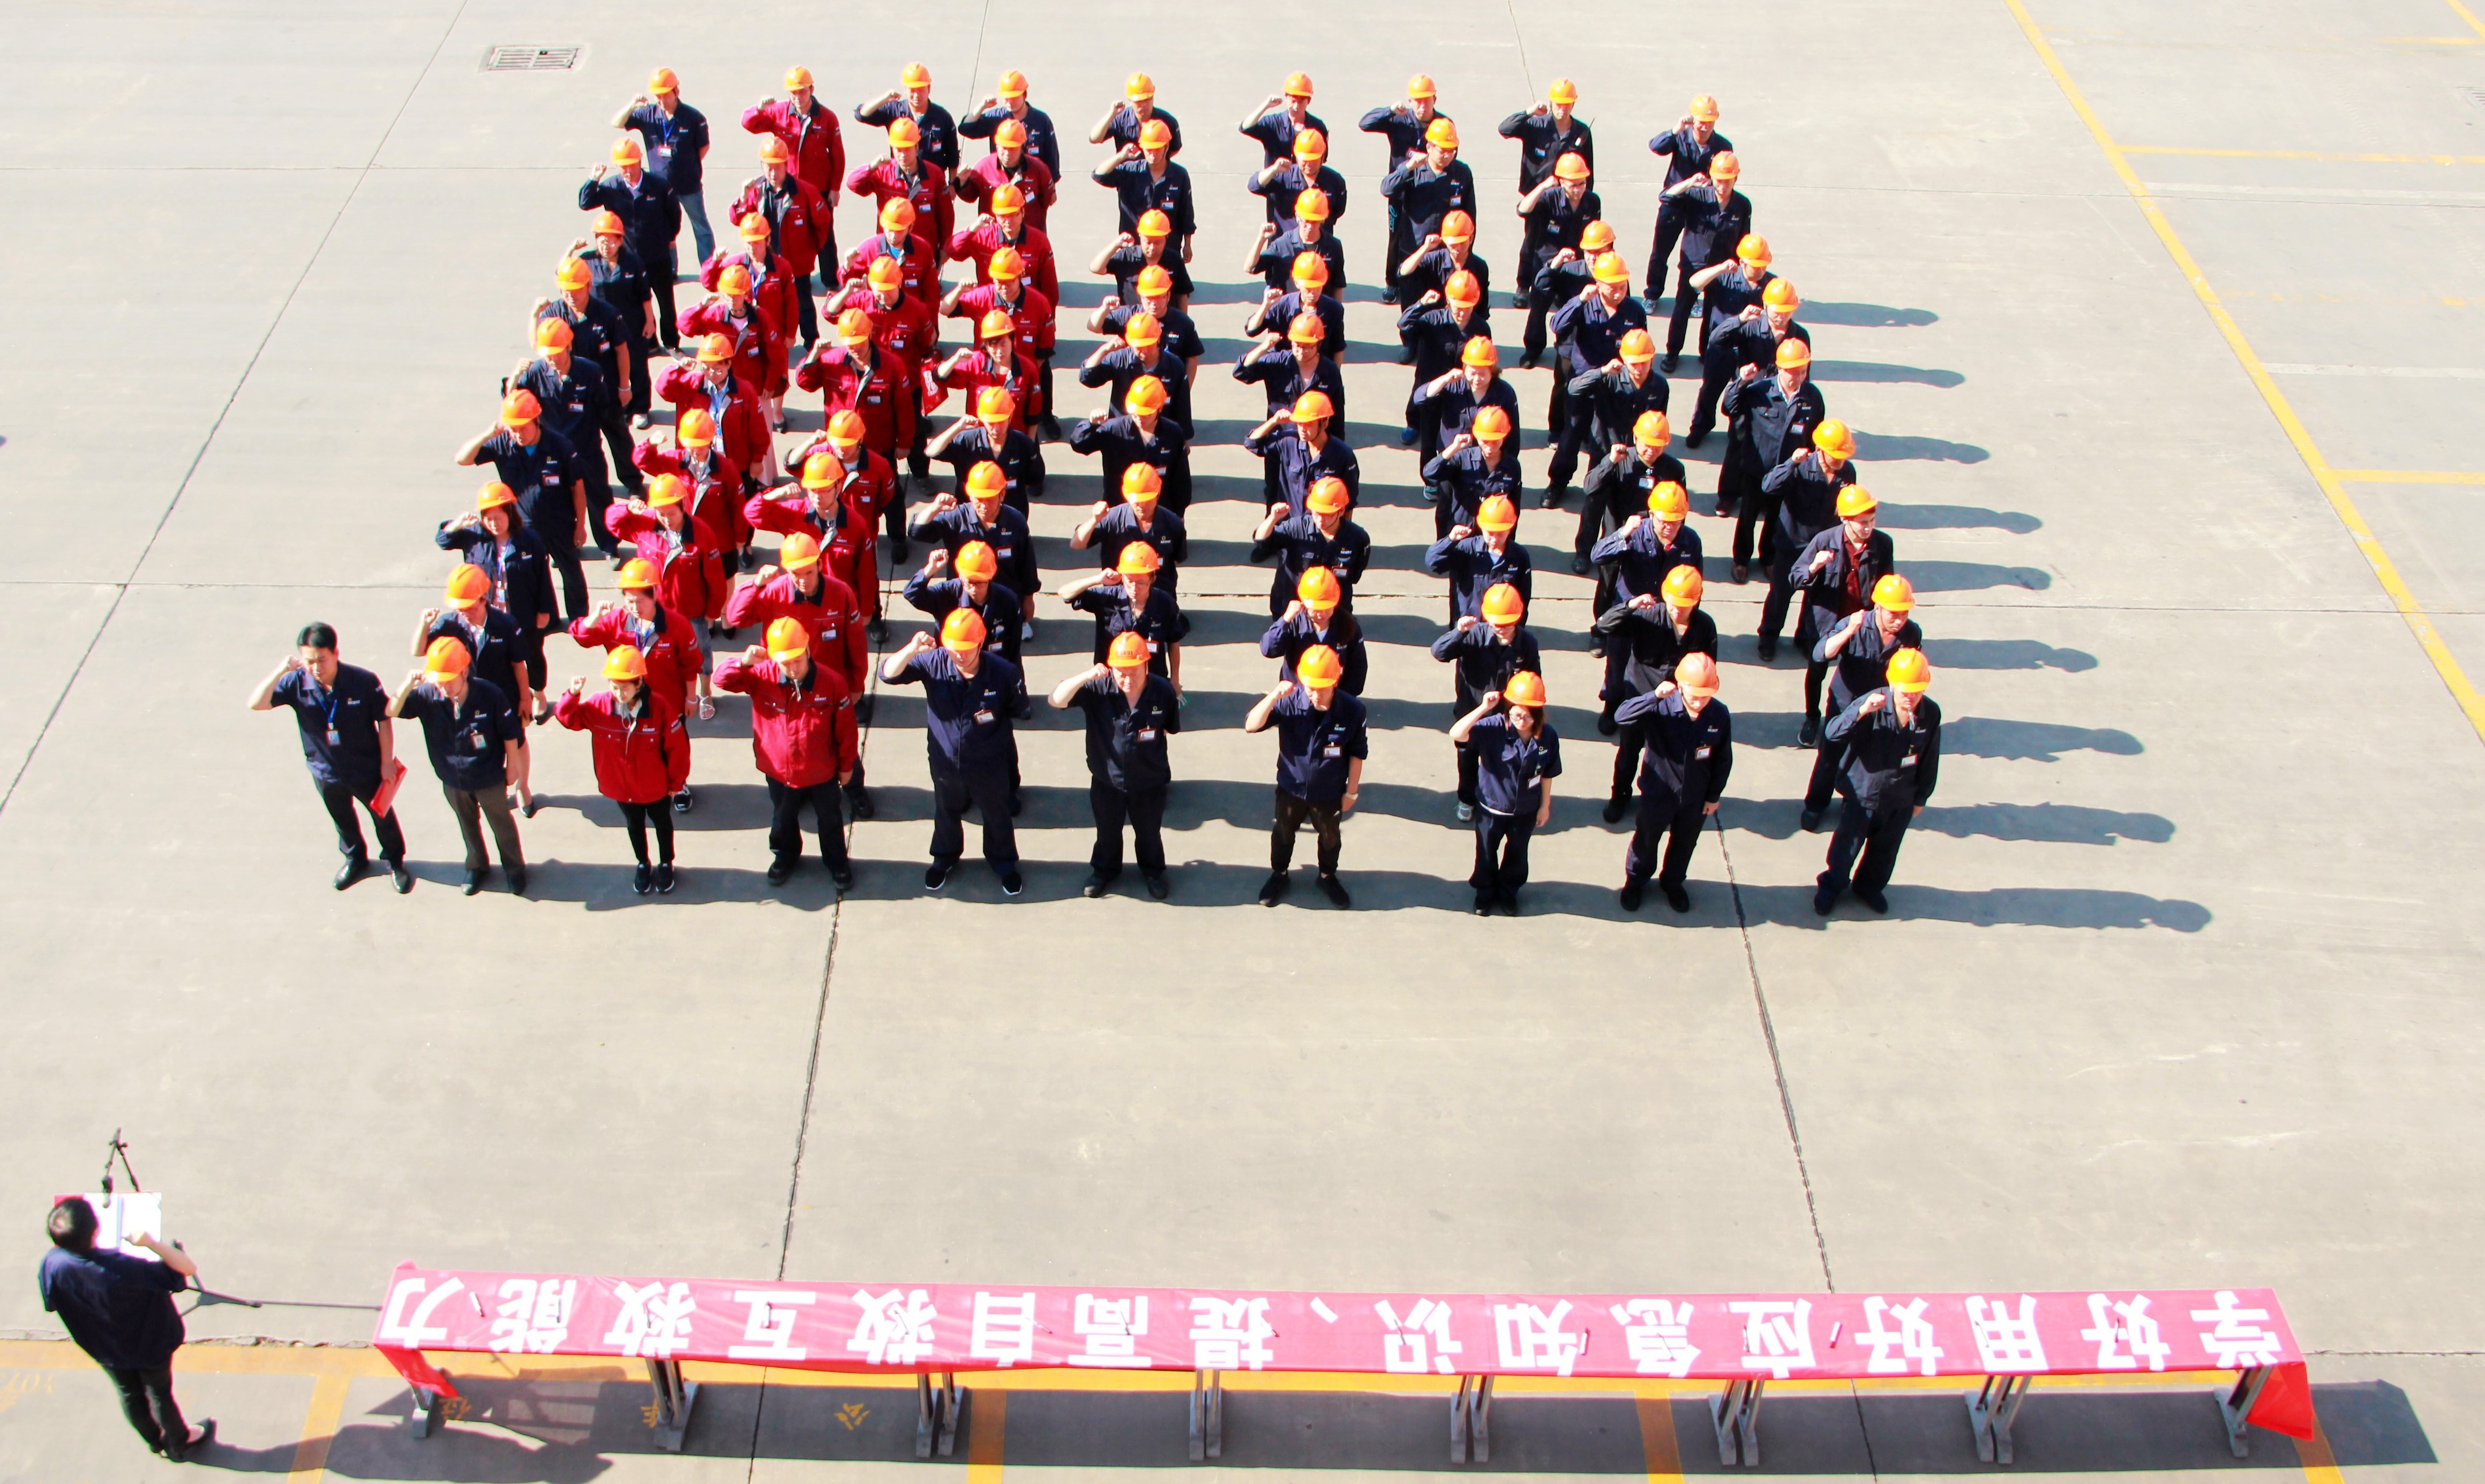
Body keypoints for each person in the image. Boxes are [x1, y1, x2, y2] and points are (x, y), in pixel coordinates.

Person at [39, 1198, 212, 1461]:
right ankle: (178, 1441)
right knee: (160, 1393)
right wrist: (152, 1243)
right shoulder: (123, 1267)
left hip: (104, 1347)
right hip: (149, 1343)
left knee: (130, 1394)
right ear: (95, 1231)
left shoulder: (51, 1264)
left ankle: (155, 1442)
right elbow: (186, 1269)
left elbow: (51, 1303)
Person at [249, 622, 411, 892]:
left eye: (322, 659)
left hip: (366, 767)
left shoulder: (363, 681)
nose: (316, 668)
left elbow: (384, 720)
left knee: (382, 815)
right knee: (342, 819)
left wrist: (387, 762)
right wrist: (280, 671)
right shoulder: (296, 682)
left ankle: (395, 861)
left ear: (336, 653)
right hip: (325, 770)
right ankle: (355, 858)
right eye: (309, 661)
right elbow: (257, 703)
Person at [883, 612, 1030, 894]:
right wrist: (912, 649)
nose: (959, 656)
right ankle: (944, 858)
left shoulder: (1003, 672)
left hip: (989, 762)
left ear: (981, 643)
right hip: (945, 762)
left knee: (997, 813)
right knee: (946, 810)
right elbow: (888, 674)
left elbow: (1017, 707)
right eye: (953, 649)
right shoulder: (933, 663)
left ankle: (1004, 864)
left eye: (966, 649)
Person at [718, 616, 860, 888]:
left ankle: (837, 863)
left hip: (821, 772)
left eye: (798, 660)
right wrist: (743, 662)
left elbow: (846, 731)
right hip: (778, 771)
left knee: (830, 820)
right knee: (783, 818)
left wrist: (846, 767)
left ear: (808, 651)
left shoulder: (832, 683)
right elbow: (723, 681)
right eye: (786, 663)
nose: (793, 668)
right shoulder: (760, 676)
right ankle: (785, 856)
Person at [389, 636, 525, 895]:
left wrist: (513, 767)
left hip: (488, 776)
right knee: (467, 824)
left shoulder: (489, 694)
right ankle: (477, 866)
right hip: (452, 778)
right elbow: (393, 710)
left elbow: (510, 733)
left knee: (501, 824)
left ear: (464, 672)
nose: (443, 687)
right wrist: (408, 685)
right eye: (439, 682)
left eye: (448, 681)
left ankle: (515, 868)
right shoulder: (428, 695)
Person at [1051, 631, 1181, 900]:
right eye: (1121, 672)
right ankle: (1104, 871)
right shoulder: (1098, 689)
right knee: (1107, 832)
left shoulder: (1163, 691)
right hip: (1107, 781)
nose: (1127, 679)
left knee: (1149, 833)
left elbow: (1169, 727)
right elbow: (1056, 700)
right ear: (1111, 668)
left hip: (1149, 781)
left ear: (1146, 665)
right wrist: (1087, 675)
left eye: (1134, 672)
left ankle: (1154, 872)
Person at [568, 557, 705, 811]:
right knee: (640, 748)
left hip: (669, 702)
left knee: (674, 746)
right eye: (629, 600)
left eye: (640, 600)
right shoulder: (614, 622)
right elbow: (582, 636)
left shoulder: (676, 625)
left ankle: (679, 785)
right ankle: (643, 789)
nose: (634, 607)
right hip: (628, 701)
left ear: (655, 594)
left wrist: (690, 697)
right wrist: (596, 616)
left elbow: (691, 665)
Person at [554, 648, 689, 894]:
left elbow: (677, 749)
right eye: (614, 687)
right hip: (622, 787)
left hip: (656, 788)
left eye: (625, 687)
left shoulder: (659, 707)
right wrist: (572, 695)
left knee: (662, 823)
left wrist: (676, 784)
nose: (619, 693)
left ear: (640, 683)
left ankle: (666, 863)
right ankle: (643, 863)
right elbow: (568, 719)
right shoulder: (599, 705)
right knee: (634, 825)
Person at [1815, 649, 1939, 916]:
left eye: (1917, 691)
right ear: (1892, 683)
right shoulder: (1873, 704)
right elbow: (1832, 733)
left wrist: (1921, 797)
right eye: (1905, 691)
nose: (1911, 697)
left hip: (1900, 798)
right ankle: (1832, 886)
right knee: (1846, 848)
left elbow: (1930, 757)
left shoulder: (1930, 714)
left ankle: (1868, 888)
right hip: (1863, 795)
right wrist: (1860, 712)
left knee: (1885, 852)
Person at [455, 390, 592, 623]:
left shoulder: (560, 446)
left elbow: (577, 488)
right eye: (513, 429)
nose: (517, 434)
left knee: (571, 572)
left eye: (522, 428)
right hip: (522, 528)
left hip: (558, 524)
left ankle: (580, 620)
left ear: (537, 421)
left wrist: (581, 526)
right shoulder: (504, 444)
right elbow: (463, 459)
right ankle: (548, 620)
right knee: (534, 576)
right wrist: (488, 434)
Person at [1596, 564, 1718, 820]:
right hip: (1641, 697)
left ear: (1696, 600)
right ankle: (1620, 796)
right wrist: (1630, 606)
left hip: (1676, 704)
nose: (1677, 610)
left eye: (1684, 605)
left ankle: (1662, 799)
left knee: (1668, 755)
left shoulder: (1705, 627)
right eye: (1673, 603)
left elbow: (1707, 667)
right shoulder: (1649, 616)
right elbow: (1605, 625)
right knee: (1629, 752)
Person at [1614, 652, 1732, 913]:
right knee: (1647, 840)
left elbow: (1723, 759)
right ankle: (1636, 881)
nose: (1700, 701)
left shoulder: (1718, 715)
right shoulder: (1662, 707)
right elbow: (1622, 716)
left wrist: (1713, 796)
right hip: (1659, 793)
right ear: (1680, 686)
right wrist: (1653, 696)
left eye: (1706, 695)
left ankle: (1673, 883)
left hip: (1695, 798)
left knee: (1685, 843)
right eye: (1694, 695)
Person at [1245, 646, 1364, 906]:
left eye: (1323, 688)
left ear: (1337, 678)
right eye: (1310, 688)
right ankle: (1280, 874)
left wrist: (1352, 792)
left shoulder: (1353, 710)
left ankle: (1327, 875)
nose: (1316, 695)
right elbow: (1251, 725)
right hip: (1291, 788)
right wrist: (1274, 695)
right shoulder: (1290, 702)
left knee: (1330, 837)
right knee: (1283, 833)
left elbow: (1357, 752)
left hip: (1329, 792)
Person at [607, 477, 731, 724]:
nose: (666, 519)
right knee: (653, 655)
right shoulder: (643, 524)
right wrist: (628, 508)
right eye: (661, 513)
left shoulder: (701, 533)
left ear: (683, 505)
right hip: (652, 612)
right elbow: (612, 522)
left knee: (700, 654)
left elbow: (716, 577)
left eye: (671, 513)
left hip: (691, 612)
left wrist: (713, 611)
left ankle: (705, 692)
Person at [1804, 575, 1922, 832]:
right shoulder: (1856, 624)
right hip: (1846, 703)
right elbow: (1821, 653)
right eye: (1893, 614)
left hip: (1881, 709)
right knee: (1830, 755)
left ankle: (1853, 802)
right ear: (1877, 607)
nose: (1899, 621)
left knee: (1868, 760)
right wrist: (1848, 632)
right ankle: (1815, 805)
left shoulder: (1911, 634)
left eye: (1904, 614)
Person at [417, 562, 537, 811]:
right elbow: (419, 651)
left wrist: (525, 699)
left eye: (469, 607)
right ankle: (491, 790)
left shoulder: (505, 624)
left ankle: (523, 787)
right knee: (482, 746)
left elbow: (518, 664)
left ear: (484, 599)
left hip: (505, 697)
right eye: (460, 608)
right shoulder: (450, 625)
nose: (465, 613)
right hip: (471, 700)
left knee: (517, 741)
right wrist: (424, 625)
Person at [741, 67, 847, 341]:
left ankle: (829, 278)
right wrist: (758, 109)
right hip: (786, 185)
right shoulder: (778, 112)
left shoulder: (827, 118)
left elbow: (837, 154)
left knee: (824, 234)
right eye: (793, 93)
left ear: (812, 90)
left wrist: (835, 188)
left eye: (802, 91)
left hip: (817, 189)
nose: (798, 97)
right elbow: (749, 124)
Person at [1589, 477, 1703, 730]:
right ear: (1651, 514)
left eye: (1675, 521)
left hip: (1664, 616)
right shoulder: (1636, 534)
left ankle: (1648, 709)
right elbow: (1597, 555)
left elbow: (1695, 583)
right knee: (1618, 662)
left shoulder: (1690, 542)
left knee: (1653, 666)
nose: (1669, 527)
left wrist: (1687, 619)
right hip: (1630, 612)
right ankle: (1612, 705)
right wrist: (1622, 533)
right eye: (1663, 521)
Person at [1758, 419, 1858, 689]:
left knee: (1817, 596)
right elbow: (1768, 486)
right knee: (1781, 593)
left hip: (1825, 546)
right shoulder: (1802, 468)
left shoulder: (1847, 472)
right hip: (1792, 543)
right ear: (1820, 450)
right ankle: (1769, 636)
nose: (1840, 461)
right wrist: (1791, 463)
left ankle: (1804, 638)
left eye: (1843, 456)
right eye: (1835, 455)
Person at [1788, 485, 1895, 737]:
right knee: (1817, 670)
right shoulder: (1824, 541)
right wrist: (1814, 567)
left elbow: (1886, 584)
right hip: (1826, 624)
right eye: (1862, 522)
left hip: (1862, 624)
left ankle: (1857, 720)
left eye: (1872, 521)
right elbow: (1795, 578)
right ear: (1845, 519)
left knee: (1863, 674)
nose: (1868, 528)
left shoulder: (1883, 544)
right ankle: (1812, 717)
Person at [1718, 336, 1825, 587]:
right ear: (1779, 368)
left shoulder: (1811, 397)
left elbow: (1816, 431)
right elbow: (1729, 407)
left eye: (1803, 371)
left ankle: (1768, 557)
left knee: (1777, 518)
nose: (1798, 377)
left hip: (1789, 471)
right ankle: (1741, 559)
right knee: (1748, 517)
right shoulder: (1760, 391)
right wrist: (1741, 381)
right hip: (1756, 470)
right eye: (1793, 372)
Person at [1451, 670, 1560, 915]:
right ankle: (1484, 894)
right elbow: (1457, 734)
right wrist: (1483, 708)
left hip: (1525, 811)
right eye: (1516, 713)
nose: (1522, 720)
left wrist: (1545, 806)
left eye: (1528, 715)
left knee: (1518, 856)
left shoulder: (1548, 736)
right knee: (1486, 854)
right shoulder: (1493, 728)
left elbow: (1548, 773)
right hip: (1492, 809)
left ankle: (1509, 893)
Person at [435, 481, 559, 697]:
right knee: (496, 656)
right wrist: (457, 524)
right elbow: (443, 541)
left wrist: (545, 610)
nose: (494, 524)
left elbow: (542, 576)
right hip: (488, 613)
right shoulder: (474, 536)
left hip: (522, 611)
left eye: (498, 518)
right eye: (489, 519)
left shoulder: (530, 540)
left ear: (510, 513)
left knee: (532, 654)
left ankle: (538, 691)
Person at [1430, 581, 1541, 821]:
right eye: (1496, 623)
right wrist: (1458, 632)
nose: (1501, 629)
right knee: (1467, 759)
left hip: (1506, 717)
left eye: (1507, 624)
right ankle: (1467, 799)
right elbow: (1439, 652)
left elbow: (1534, 680)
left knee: (1503, 760)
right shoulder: (1474, 635)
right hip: (1472, 711)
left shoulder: (1527, 644)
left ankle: (1500, 799)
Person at [1565, 331, 1668, 558]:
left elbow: (1659, 423)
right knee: (1594, 503)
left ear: (1652, 358)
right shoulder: (1610, 378)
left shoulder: (1659, 386)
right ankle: (1584, 552)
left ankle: (1615, 552)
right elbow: (1574, 389)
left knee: (1625, 508)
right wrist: (1601, 372)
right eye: (1633, 363)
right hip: (1605, 452)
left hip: (1635, 458)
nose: (1638, 368)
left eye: (1643, 362)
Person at [911, 461, 1039, 636]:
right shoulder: (956, 518)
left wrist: (1028, 599)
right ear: (970, 496)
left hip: (1004, 598)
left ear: (1002, 495)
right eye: (979, 499)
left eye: (990, 499)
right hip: (966, 599)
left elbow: (1027, 563)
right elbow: (917, 532)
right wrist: (935, 508)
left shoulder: (1016, 521)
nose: (984, 506)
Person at [1643, 96, 1733, 344]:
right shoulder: (1681, 138)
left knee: (1698, 255)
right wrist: (1676, 129)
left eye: (1709, 122)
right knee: (1661, 251)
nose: (1704, 127)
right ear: (1692, 120)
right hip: (1675, 202)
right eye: (1701, 121)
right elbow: (1656, 146)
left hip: (1702, 207)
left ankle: (1694, 296)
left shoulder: (1723, 146)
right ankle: (1653, 292)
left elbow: (1725, 173)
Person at [579, 137, 682, 349]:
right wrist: (593, 180)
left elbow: (674, 214)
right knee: (638, 303)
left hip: (657, 255)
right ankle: (650, 343)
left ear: (640, 160)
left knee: (666, 302)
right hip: (628, 258)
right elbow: (585, 203)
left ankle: (672, 342)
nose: (627, 170)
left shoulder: (659, 185)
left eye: (631, 164)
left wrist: (669, 238)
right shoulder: (611, 187)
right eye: (622, 166)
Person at [1658, 151, 1753, 374]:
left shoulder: (1742, 205)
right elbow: (1666, 197)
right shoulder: (1698, 197)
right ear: (1711, 176)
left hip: (1723, 268)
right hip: (1694, 265)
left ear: (1736, 178)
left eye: (1727, 180)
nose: (1722, 185)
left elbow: (1744, 239)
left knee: (1713, 312)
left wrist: (1741, 267)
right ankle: (1673, 352)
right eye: (1718, 180)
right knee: (1682, 309)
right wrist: (1690, 182)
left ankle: (1706, 351)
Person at [1360, 73, 1447, 303]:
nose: (1422, 105)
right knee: (1396, 237)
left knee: (1427, 236)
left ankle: (1428, 278)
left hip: (1426, 191)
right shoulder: (1400, 120)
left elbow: (1450, 153)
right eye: (1417, 101)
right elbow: (1365, 123)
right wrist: (1389, 111)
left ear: (1435, 99)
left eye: (1426, 100)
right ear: (1410, 101)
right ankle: (1392, 281)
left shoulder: (1442, 124)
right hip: (1400, 190)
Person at [615, 68, 712, 262]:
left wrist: (686, 165)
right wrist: (632, 106)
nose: (661, 100)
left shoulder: (694, 118)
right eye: (657, 96)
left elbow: (704, 147)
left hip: (688, 185)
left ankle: (710, 268)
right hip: (660, 187)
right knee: (665, 231)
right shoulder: (648, 115)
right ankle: (670, 269)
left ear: (676, 92)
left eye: (665, 95)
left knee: (701, 228)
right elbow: (617, 123)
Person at [1059, 543, 1188, 689]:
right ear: (1122, 577)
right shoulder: (1108, 598)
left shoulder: (1165, 603)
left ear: (1152, 579)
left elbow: (1174, 642)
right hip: (1112, 681)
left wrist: (1175, 680)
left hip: (1152, 681)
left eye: (1141, 583)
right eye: (1130, 581)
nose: (1134, 588)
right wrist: (1097, 579)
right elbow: (1065, 593)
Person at [1068, 379, 1192, 516]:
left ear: (1160, 409)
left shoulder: (1173, 433)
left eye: (1147, 414)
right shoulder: (1114, 430)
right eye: (1136, 413)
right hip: (1119, 509)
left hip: (1159, 511)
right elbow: (1079, 444)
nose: (1140, 418)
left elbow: (1181, 479)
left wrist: (1179, 514)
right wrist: (1091, 425)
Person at [1249, 476, 1369, 616]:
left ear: (1341, 511)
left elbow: (1354, 575)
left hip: (1333, 611)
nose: (1321, 520)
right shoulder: (1297, 528)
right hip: (1294, 607)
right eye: (1317, 513)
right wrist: (1273, 518)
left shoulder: (1357, 538)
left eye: (1328, 515)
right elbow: (1261, 541)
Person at [1398, 270, 1492, 446]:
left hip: (1460, 387)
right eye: (1458, 306)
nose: (1462, 312)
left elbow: (1484, 359)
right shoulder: (1432, 320)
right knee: (1424, 417)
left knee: (1452, 426)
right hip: (1430, 381)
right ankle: (1414, 424)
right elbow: (1404, 325)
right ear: (1448, 300)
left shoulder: (1480, 328)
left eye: (1467, 307)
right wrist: (1421, 304)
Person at [905, 540, 1024, 666]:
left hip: (990, 667)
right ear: (960, 575)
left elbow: (1014, 650)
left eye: (980, 582)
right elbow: (912, 594)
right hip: (953, 665)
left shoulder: (1008, 601)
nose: (974, 588)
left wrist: (1014, 676)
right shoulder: (947, 594)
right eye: (969, 582)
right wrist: (929, 570)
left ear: (990, 576)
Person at [1074, 462, 1189, 593]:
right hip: (1121, 597)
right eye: (1137, 501)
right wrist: (1095, 520)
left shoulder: (1173, 523)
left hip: (1160, 596)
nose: (1142, 506)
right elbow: (1077, 544)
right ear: (1126, 495)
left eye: (1147, 500)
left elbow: (1178, 558)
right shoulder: (1113, 519)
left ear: (1158, 492)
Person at [1243, 391, 1360, 515]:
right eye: (1299, 424)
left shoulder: (1343, 455)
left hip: (1320, 524)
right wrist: (1273, 421)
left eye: (1308, 424)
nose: (1302, 429)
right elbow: (1252, 443)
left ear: (1324, 424)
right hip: (1289, 525)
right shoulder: (1289, 442)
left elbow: (1349, 503)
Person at [1093, 120, 1196, 259]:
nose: (1152, 154)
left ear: (1166, 147)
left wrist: (1188, 245)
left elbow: (1186, 213)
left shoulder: (1179, 175)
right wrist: (1121, 156)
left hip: (1168, 249)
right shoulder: (1130, 171)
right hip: (1133, 248)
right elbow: (1099, 175)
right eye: (1148, 149)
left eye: (1157, 149)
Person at [1425, 496, 1533, 625]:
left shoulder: (1519, 556)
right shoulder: (1468, 550)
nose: (1495, 539)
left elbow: (1523, 599)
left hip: (1501, 628)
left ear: (1510, 529)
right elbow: (1433, 563)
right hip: (1469, 627)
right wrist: (1450, 540)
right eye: (1490, 533)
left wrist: (1515, 630)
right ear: (1481, 527)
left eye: (1500, 533)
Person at [1261, 567, 1369, 694]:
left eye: (1326, 607)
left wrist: (1341, 698)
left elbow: (1358, 668)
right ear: (1304, 601)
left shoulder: (1348, 625)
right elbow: (1268, 649)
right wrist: (1284, 620)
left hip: (1334, 695)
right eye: (1316, 608)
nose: (1321, 614)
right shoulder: (1294, 622)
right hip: (1298, 696)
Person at [1421, 409, 1523, 541]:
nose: (1490, 447)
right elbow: (1429, 474)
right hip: (1462, 536)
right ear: (1476, 436)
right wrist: (1453, 448)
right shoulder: (1463, 459)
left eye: (1495, 441)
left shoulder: (1512, 466)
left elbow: (1514, 509)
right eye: (1485, 441)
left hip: (1492, 539)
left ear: (1504, 436)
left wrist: (1508, 543)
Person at [857, 62, 961, 175]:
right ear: (905, 89)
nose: (917, 95)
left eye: (921, 89)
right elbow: (862, 115)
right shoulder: (894, 111)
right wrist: (885, 98)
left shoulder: (942, 117)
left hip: (932, 180)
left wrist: (953, 182)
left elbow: (952, 155)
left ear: (929, 88)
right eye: (912, 90)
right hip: (901, 179)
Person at [1499, 80, 1593, 201]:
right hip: (1535, 197)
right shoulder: (1536, 125)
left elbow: (1587, 172)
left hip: (1565, 199)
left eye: (1567, 104)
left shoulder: (1582, 132)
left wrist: (1585, 202)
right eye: (1558, 104)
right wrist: (1529, 112)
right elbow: (1505, 129)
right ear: (1551, 103)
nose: (1563, 109)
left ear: (1574, 103)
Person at [962, 69, 1063, 179]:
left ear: (1024, 95)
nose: (1010, 102)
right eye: (1006, 98)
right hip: (1003, 183)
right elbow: (966, 129)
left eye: (1014, 98)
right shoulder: (997, 117)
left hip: (1032, 182)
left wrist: (1050, 183)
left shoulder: (1041, 121)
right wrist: (982, 106)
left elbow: (1051, 156)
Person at [1093, 71, 1184, 157]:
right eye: (1138, 101)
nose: (1143, 105)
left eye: (1147, 99)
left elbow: (1175, 149)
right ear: (1130, 100)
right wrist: (1111, 114)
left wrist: (1157, 162)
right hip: (1126, 167)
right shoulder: (1121, 120)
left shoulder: (1167, 122)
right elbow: (1095, 139)